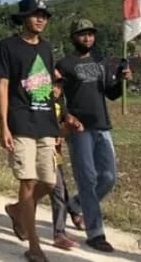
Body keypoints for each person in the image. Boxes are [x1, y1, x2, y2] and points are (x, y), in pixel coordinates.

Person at [0, 0, 62, 262]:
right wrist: (4, 126)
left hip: (46, 122)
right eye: (35, 14)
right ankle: (34, 245)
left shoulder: (47, 49)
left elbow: (47, 87)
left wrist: (57, 128)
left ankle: (17, 210)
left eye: (44, 15)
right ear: (23, 18)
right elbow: (2, 88)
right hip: (21, 122)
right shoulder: (7, 47)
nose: (41, 19)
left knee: (49, 182)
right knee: (29, 182)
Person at [54, 18, 129, 252]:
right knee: (87, 179)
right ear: (73, 37)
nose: (87, 38)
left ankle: (75, 204)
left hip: (102, 126)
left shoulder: (101, 61)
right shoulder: (64, 64)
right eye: (82, 34)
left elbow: (112, 93)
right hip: (79, 129)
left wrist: (122, 79)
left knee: (108, 177)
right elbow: (55, 95)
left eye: (90, 34)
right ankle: (95, 233)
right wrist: (66, 116)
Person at [49, 96, 84, 251]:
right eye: (54, 84)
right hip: (39, 147)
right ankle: (59, 233)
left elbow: (64, 119)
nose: (57, 89)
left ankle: (60, 232)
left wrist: (72, 123)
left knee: (59, 188)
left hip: (55, 153)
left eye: (60, 85)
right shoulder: (39, 97)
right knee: (52, 189)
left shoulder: (60, 101)